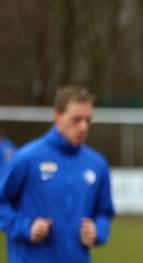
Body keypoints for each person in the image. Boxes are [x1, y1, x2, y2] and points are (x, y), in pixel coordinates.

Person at [0, 86, 115, 263]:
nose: (83, 127)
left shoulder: (97, 164)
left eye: (88, 120)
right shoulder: (26, 158)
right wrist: (25, 227)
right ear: (57, 115)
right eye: (76, 119)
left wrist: (97, 230)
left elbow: (104, 212)